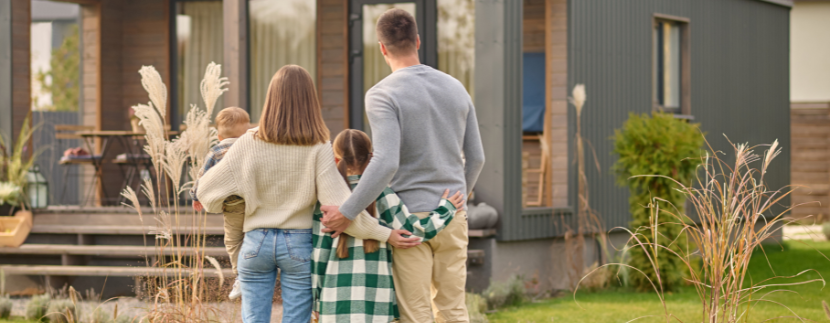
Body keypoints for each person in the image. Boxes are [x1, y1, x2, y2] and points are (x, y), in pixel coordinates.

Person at [196, 65, 421, 323]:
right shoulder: (318, 146)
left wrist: (241, 198)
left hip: (255, 242)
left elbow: (206, 193)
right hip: (298, 244)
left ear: (271, 98)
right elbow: (342, 211)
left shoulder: (247, 142)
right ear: (310, 101)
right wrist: (386, 233)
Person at [320, 8, 486, 323]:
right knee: (453, 308)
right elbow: (477, 157)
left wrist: (348, 212)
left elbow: (385, 161)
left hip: (407, 220)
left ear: (382, 48)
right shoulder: (456, 88)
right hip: (453, 214)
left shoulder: (383, 94)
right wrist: (458, 197)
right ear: (418, 41)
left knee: (416, 313)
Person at [312, 129, 465, 323]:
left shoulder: (325, 201)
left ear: (334, 160)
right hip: (377, 303)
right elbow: (415, 232)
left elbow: (318, 255)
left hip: (333, 304)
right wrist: (446, 209)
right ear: (372, 159)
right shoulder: (382, 194)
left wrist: (316, 302)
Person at [190, 106, 251, 300]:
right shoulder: (252, 147)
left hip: (233, 205)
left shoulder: (216, 151)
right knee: (252, 237)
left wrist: (195, 196)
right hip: (256, 202)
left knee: (233, 241)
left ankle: (241, 275)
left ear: (218, 136)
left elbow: (202, 177)